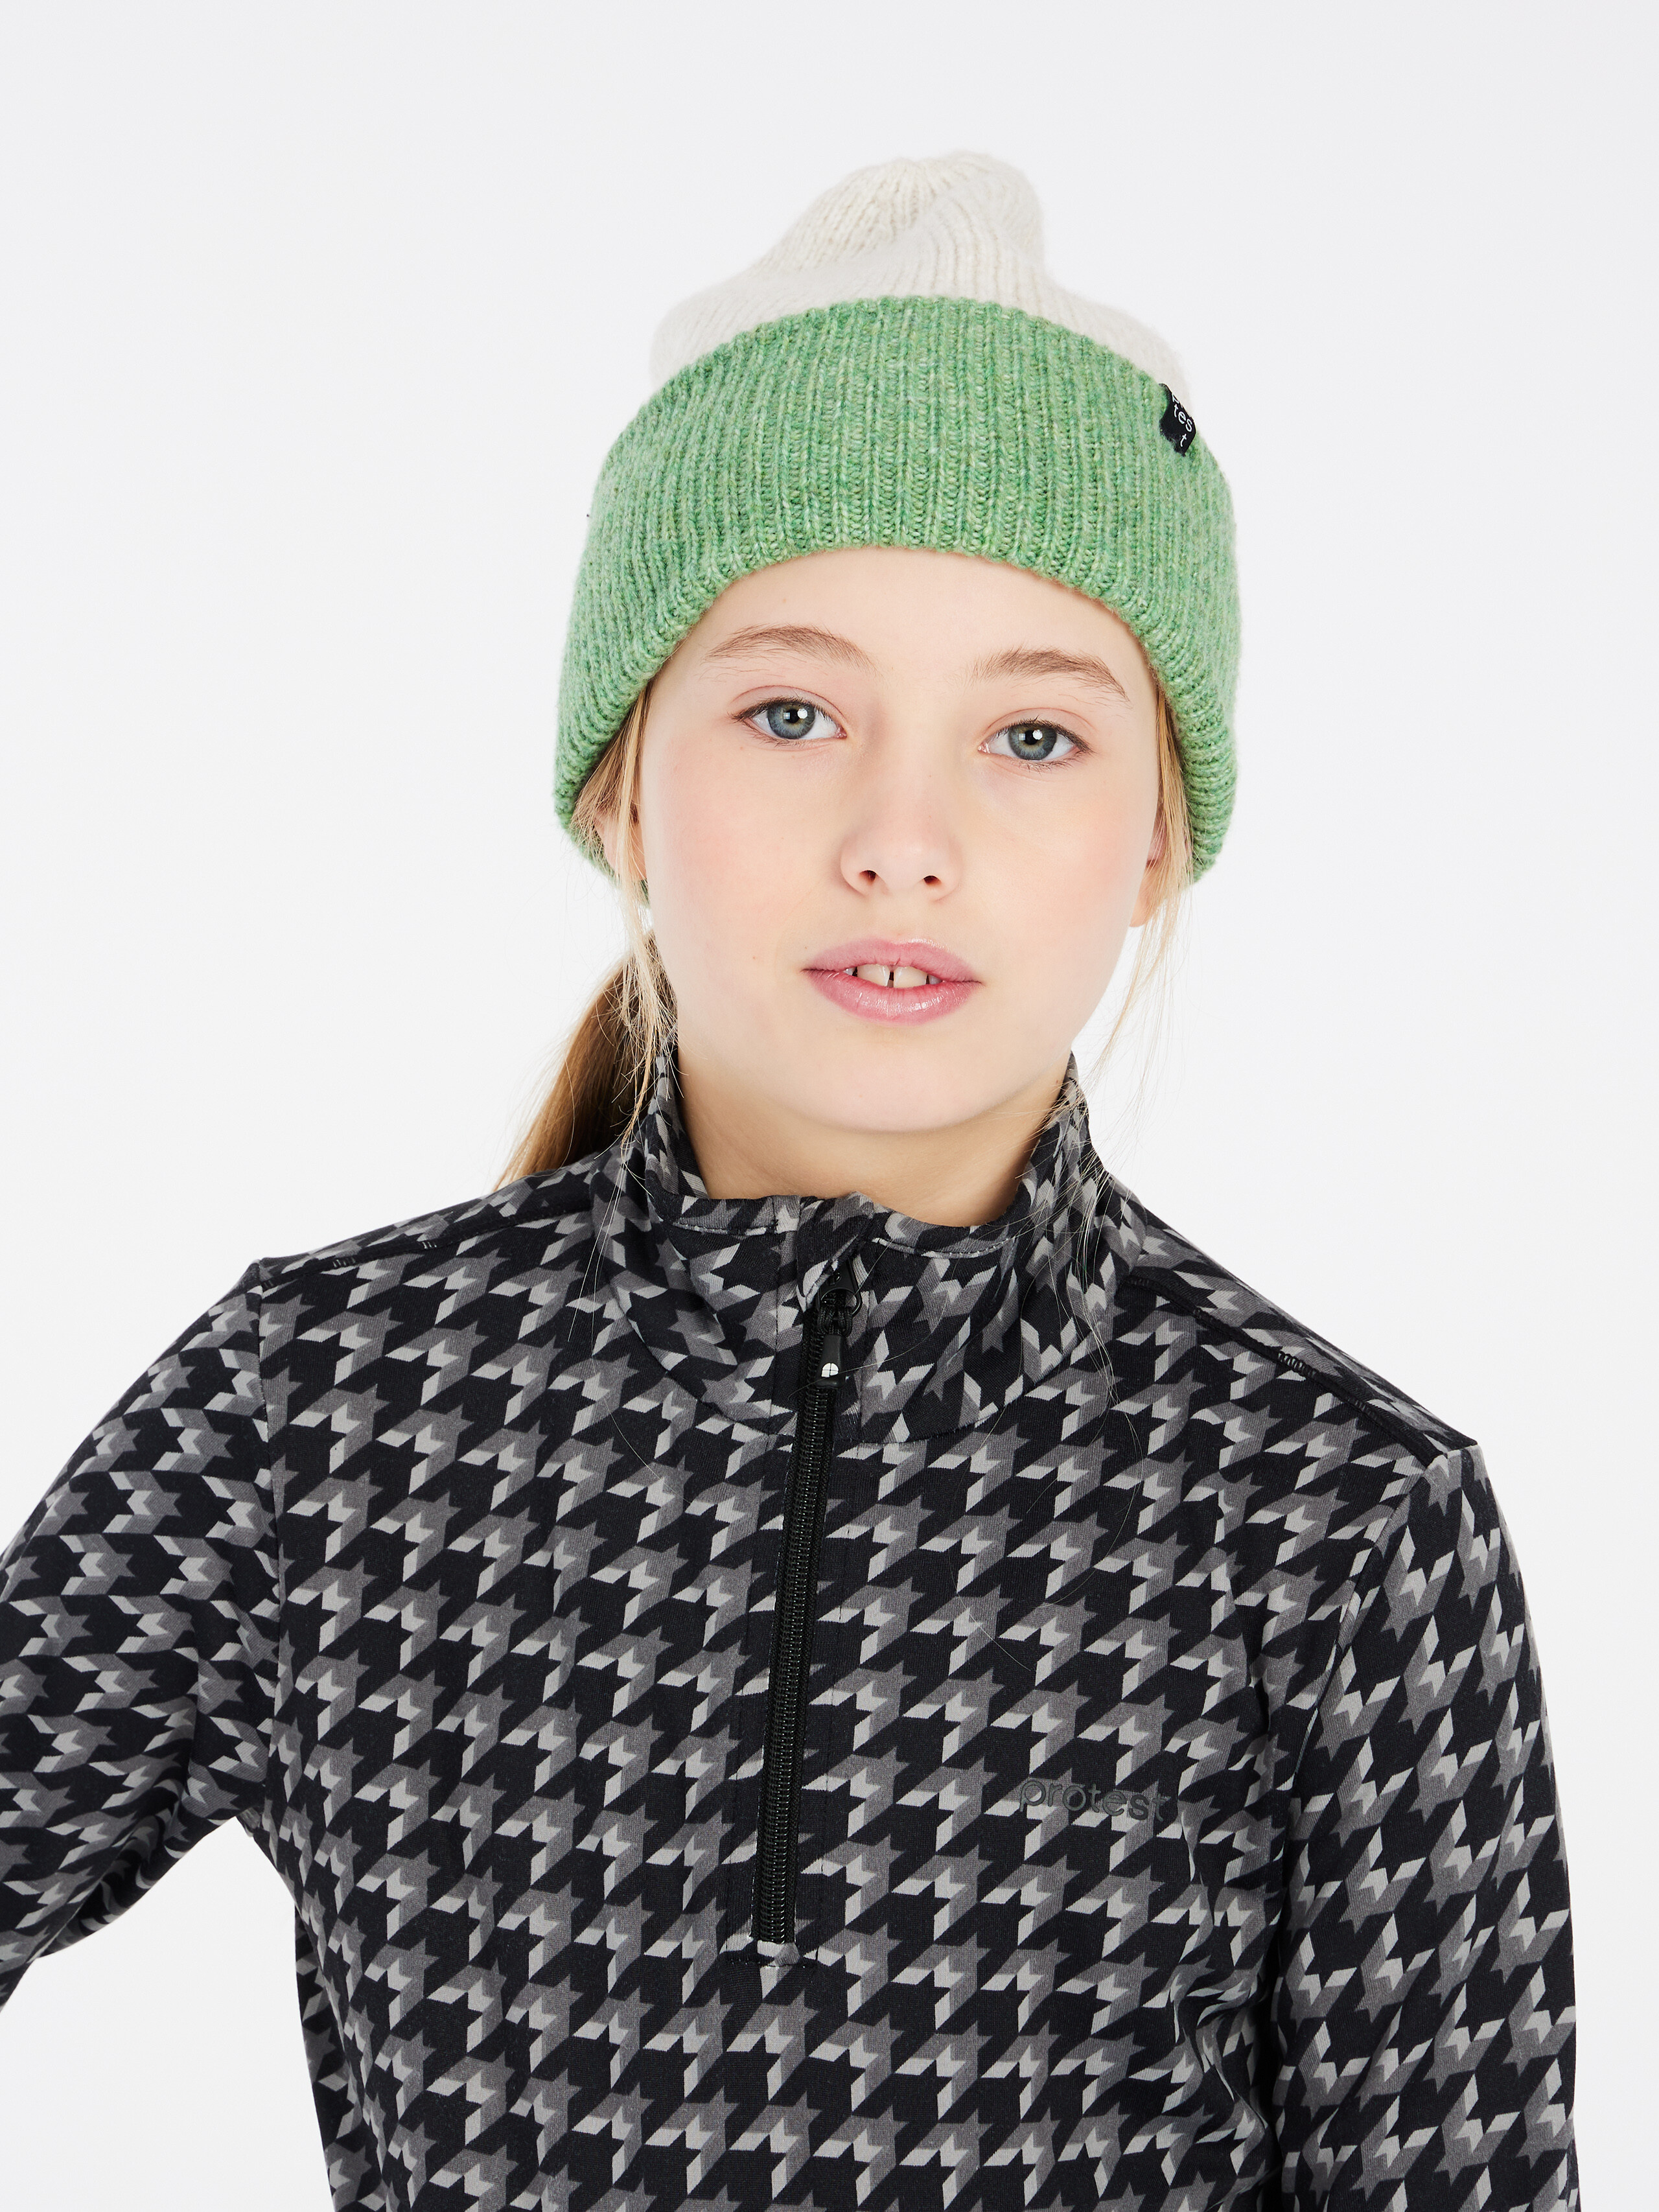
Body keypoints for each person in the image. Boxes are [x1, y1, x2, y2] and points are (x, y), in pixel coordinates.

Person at [0, 153, 1578, 2212]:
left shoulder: (1340, 1525)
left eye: (1034, 738)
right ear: (622, 789)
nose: (902, 837)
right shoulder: (325, 1411)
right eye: (791, 710)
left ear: (1160, 836)